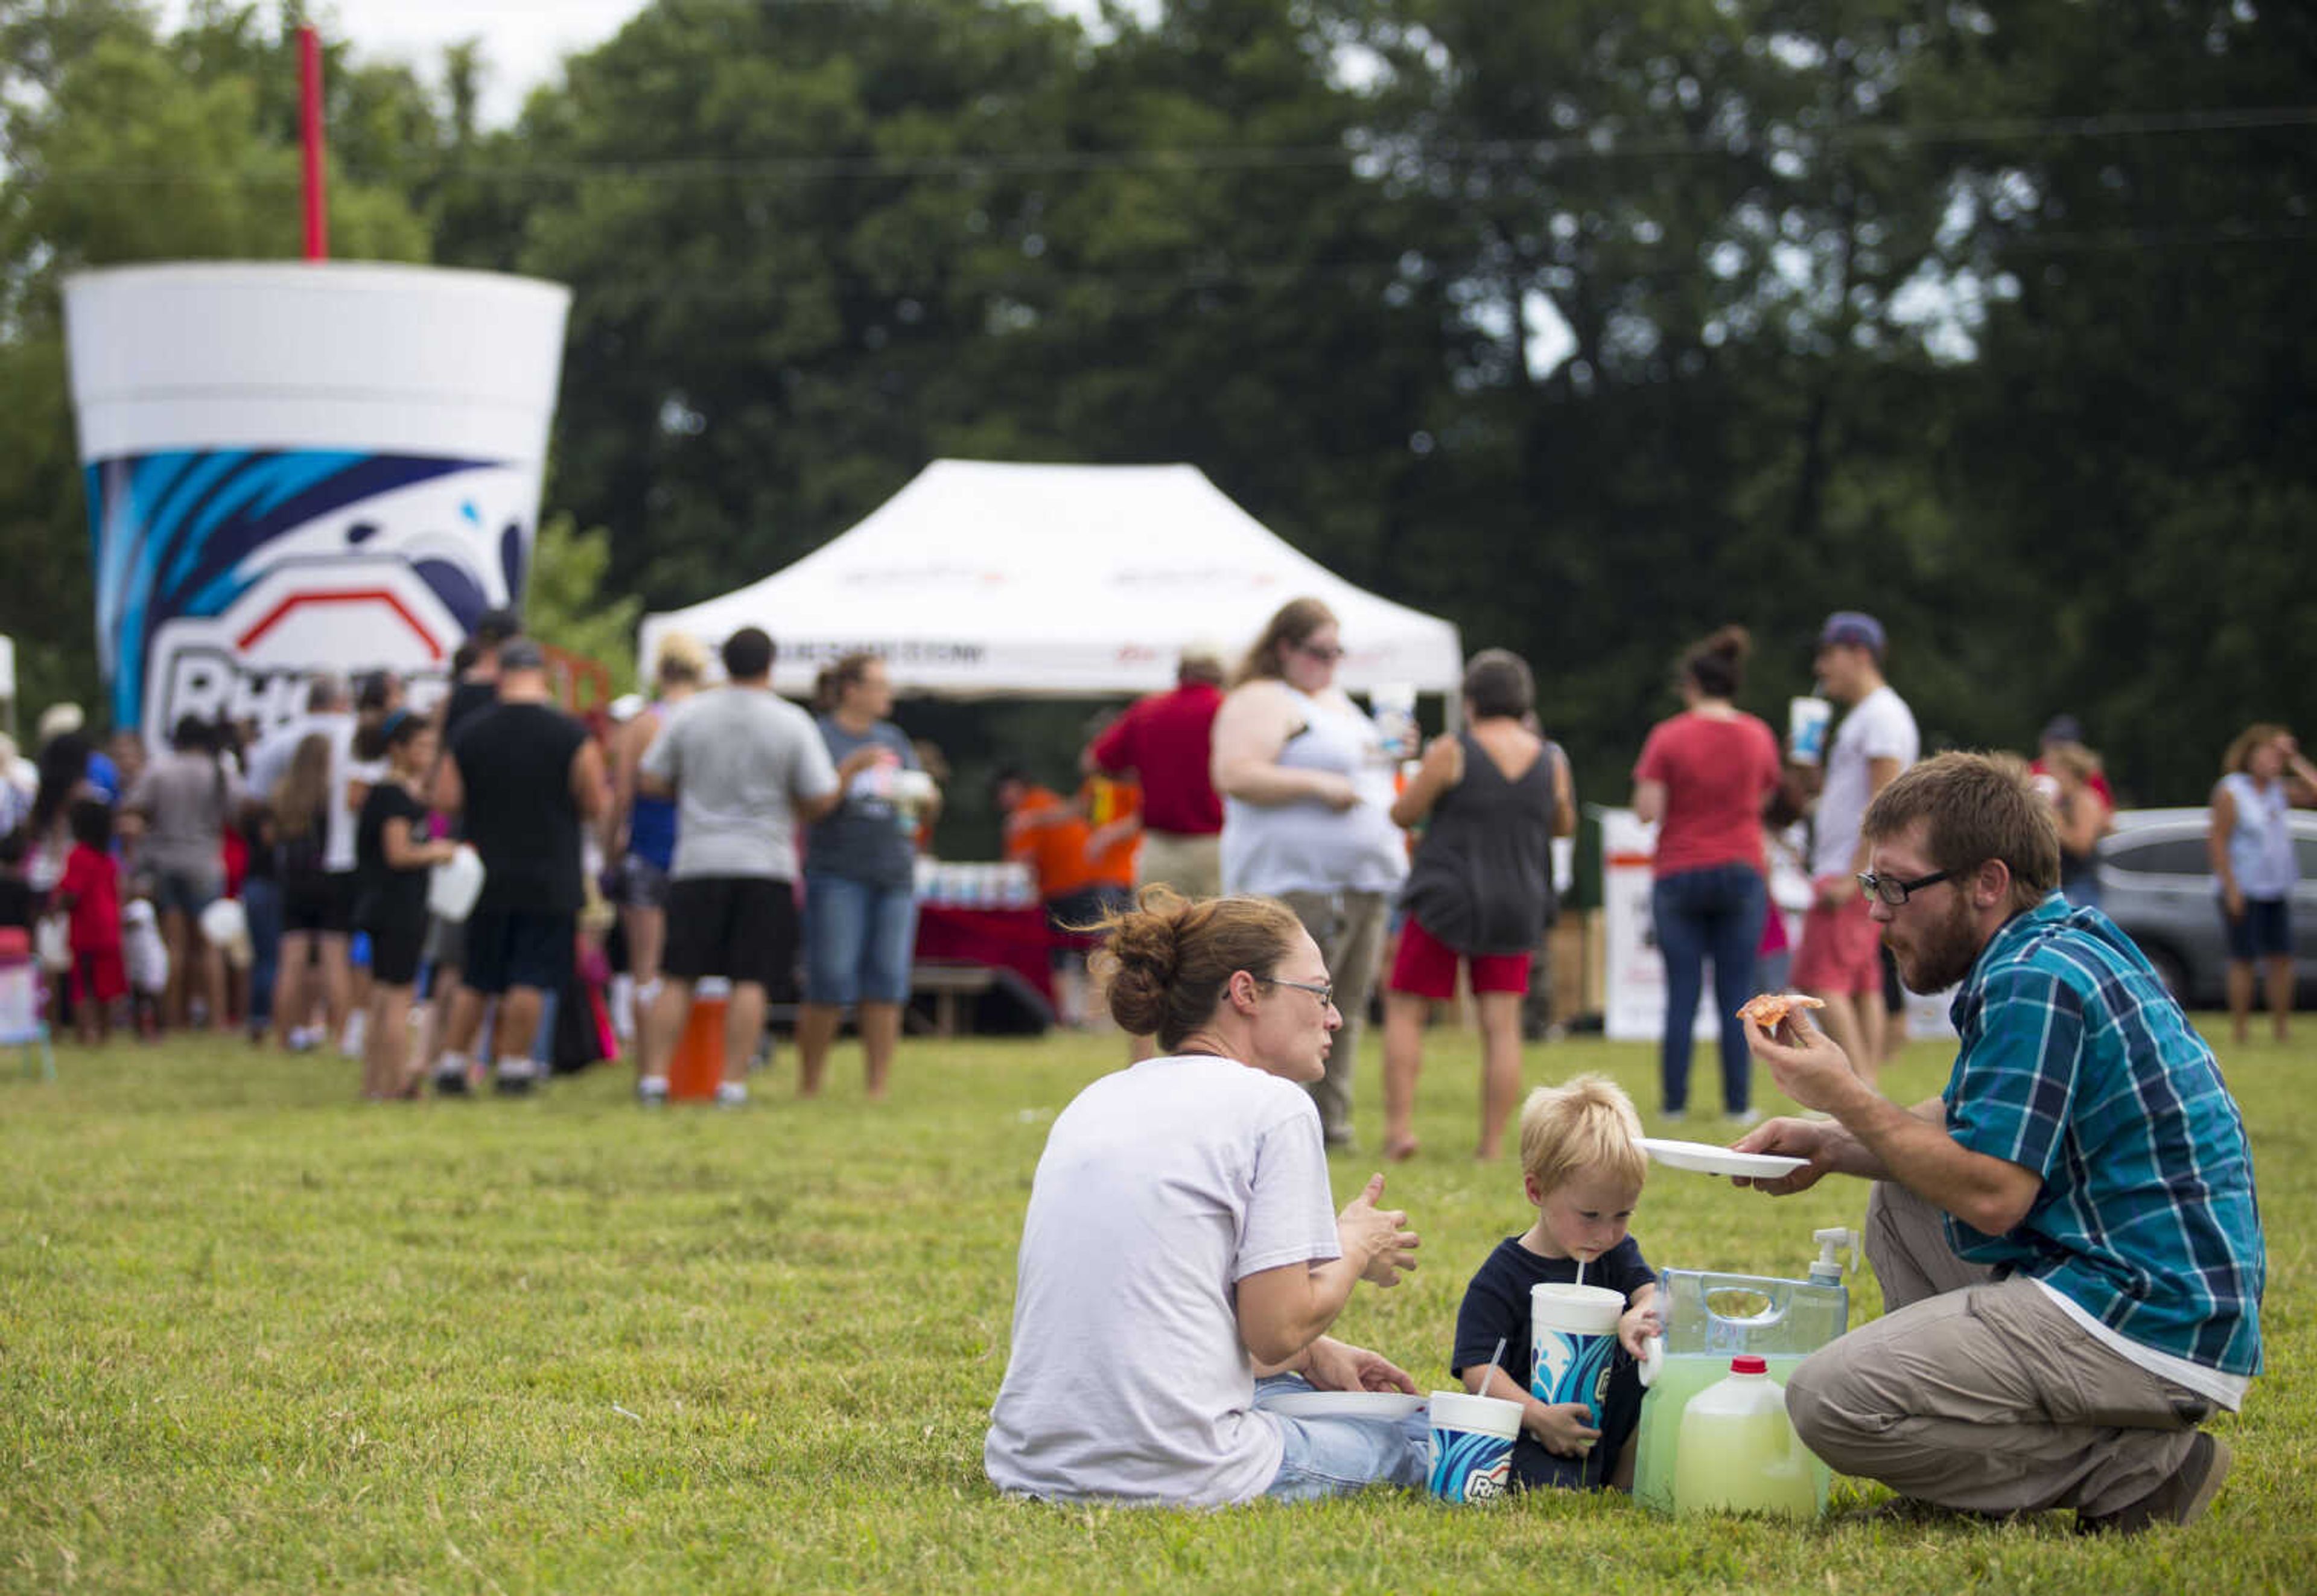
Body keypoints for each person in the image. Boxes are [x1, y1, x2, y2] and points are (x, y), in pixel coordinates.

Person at [1735, 752, 2265, 1533]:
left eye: (1896, 885)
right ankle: (1971, 1457)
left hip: (2146, 1318)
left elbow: (1992, 1194)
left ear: (1986, 882)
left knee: (1828, 1401)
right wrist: (1830, 1141)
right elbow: (1963, 1124)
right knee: (1902, 1193)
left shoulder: (2033, 977)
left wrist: (1844, 1091)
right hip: (2148, 1292)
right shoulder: (2057, 944)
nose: (1877, 912)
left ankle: (2138, 1470)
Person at [984, 888, 1425, 1506]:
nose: (1336, 1017)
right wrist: (1355, 1244)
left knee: (1299, 1396)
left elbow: (1172, 1316)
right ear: (1245, 992)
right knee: (1425, 1431)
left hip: (1031, 1459)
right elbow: (1272, 1331)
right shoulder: (1275, 1109)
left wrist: (1315, 1355)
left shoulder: (1096, 1099)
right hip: (1180, 1472)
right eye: (1320, 993)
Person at [1211, 598, 1407, 1147]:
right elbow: (1234, 772)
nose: (1330, 662)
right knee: (1291, 1011)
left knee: (1341, 1013)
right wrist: (1319, 787)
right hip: (1296, 883)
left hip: (1360, 882)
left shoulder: (1336, 701)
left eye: (1337, 651)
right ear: (1285, 648)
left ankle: (1328, 1124)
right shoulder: (1262, 698)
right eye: (1319, 651)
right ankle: (1277, 1123)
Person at [633, 626, 839, 1107]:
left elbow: (652, 778)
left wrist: (693, 794)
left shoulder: (689, 715)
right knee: (751, 978)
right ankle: (732, 1082)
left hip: (699, 859)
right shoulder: (790, 721)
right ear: (770, 665)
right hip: (765, 861)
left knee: (678, 973)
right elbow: (819, 793)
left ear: (724, 664)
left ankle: (655, 1079)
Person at [1379, 648, 1563, 1162]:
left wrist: (1404, 768)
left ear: (1472, 700)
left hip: (1446, 898)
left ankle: (1399, 1132)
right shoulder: (1551, 759)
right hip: (1517, 899)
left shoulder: (1453, 750)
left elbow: (1404, 812)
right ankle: (1491, 1146)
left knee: (1406, 1009)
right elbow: (1564, 823)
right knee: (1502, 1025)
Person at [1451, 1075, 1661, 1491]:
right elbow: (1478, 1369)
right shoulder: (1504, 1274)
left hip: (1611, 1423)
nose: (1605, 1233)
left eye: (1622, 1215)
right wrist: (1537, 1415)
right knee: (1553, 1489)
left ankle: (1624, 1478)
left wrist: (1637, 1314)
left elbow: (1654, 1292)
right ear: (1536, 1190)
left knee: (1658, 1377)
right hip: (1534, 1431)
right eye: (1590, 1215)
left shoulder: (1616, 1254)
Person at [431, 638, 607, 1095]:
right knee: (531, 974)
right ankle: (513, 1065)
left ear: (501, 676)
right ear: (543, 675)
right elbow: (593, 801)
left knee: (479, 972)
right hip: (549, 872)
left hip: (486, 872)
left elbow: (446, 798)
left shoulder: (470, 732)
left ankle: (452, 1062)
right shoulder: (571, 735)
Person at [1630, 626, 1783, 1123]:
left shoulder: (1668, 736)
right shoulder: (1758, 735)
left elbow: (1647, 810)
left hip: (1678, 872)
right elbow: (1762, 801)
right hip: (1741, 869)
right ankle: (1738, 1103)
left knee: (1681, 992)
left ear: (1691, 684)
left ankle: (1674, 1103)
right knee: (1739, 993)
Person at [797, 653, 938, 1101]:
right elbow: (811, 808)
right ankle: (811, 1084)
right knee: (830, 979)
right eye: (878, 684)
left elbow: (921, 807)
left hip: (894, 873)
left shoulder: (893, 737)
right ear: (851, 690)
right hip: (838, 873)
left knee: (888, 980)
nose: (887, 693)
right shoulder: (820, 736)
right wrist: (850, 770)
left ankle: (877, 1086)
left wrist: (928, 798)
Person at [1790, 611, 1918, 1087]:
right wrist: (1808, 771)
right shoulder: (1870, 716)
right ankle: (1872, 1091)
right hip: (1855, 867)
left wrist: (1853, 872)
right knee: (1860, 984)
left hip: (1850, 871)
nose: (1822, 668)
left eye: (1829, 655)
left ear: (1859, 654)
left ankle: (1861, 1093)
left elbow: (1883, 800)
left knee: (1818, 978)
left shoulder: (1881, 716)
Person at [607, 631, 708, 1037]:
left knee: (645, 965)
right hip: (700, 851)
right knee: (693, 961)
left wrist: (609, 844)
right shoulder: (706, 719)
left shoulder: (644, 723)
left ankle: (647, 1050)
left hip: (650, 848)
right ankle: (690, 1046)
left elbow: (622, 794)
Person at [354, 712, 457, 1099]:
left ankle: (374, 1083)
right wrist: (438, 852)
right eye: (421, 747)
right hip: (398, 907)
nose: (428, 755)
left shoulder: (390, 793)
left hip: (384, 905)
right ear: (397, 749)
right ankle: (397, 1081)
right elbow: (397, 853)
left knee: (383, 995)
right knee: (398, 998)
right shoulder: (395, 797)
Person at [1085, 644, 1228, 900]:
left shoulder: (1148, 709)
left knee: (1154, 934)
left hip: (1158, 847)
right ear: (1219, 673)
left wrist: (1141, 775)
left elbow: (1093, 762)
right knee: (1214, 934)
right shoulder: (1226, 708)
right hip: (1215, 846)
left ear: (1180, 672)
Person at [123, 715, 238, 1031]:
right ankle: (217, 1020)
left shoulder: (161, 769)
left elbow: (133, 808)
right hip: (205, 863)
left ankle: (174, 1018)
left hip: (165, 863)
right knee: (209, 945)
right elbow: (238, 810)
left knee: (174, 945)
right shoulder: (218, 770)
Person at [2208, 723, 2316, 1045]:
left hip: (2276, 887)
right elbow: (2217, 841)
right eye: (2267, 755)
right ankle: (2241, 1031)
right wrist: (2232, 889)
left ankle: (2280, 1029)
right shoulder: (2232, 790)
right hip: (2244, 888)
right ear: (2249, 757)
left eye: (2275, 756)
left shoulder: (2277, 791)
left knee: (2282, 958)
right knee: (2243, 959)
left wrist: (2294, 758)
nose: (2272, 762)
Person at [994, 768, 1124, 1031]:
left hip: (1071, 885)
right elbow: (1075, 809)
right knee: (1093, 948)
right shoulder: (1050, 802)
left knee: (1072, 951)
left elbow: (1019, 862)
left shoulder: (1028, 809)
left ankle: (1076, 1017)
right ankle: (1090, 1017)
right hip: (1089, 878)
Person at [55, 798, 124, 1044]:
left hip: (86, 929)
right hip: (110, 928)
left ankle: (84, 1034)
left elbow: (73, 893)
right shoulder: (109, 858)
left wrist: (56, 904)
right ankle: (105, 1032)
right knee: (106, 985)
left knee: (83, 984)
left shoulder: (79, 856)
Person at [2037, 740, 2112, 911]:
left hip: (2080, 885)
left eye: (2054, 769)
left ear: (2068, 771)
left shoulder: (2084, 800)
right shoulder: (2065, 800)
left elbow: (2082, 845)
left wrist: (2055, 818)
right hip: (2067, 883)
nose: (2049, 773)